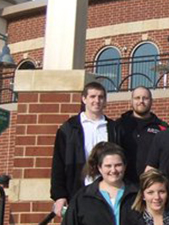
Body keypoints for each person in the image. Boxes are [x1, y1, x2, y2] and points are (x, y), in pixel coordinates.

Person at [51, 81, 120, 217]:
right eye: (92, 96)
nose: (97, 101)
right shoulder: (69, 129)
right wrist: (59, 196)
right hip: (77, 192)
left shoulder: (114, 129)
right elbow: (58, 163)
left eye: (101, 97)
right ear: (84, 99)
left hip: (108, 193)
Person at [118, 86, 168, 184]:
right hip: (123, 184)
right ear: (131, 101)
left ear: (151, 101)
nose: (141, 101)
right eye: (137, 98)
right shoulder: (119, 125)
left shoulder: (162, 128)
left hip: (151, 185)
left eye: (145, 98)